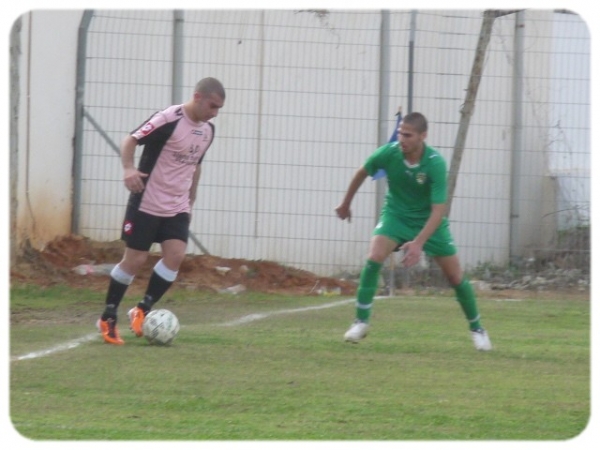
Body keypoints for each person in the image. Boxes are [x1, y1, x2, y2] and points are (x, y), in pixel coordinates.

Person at [335, 112, 492, 351]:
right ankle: (361, 321)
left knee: (455, 277)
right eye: (400, 133)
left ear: (422, 136)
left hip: (429, 221)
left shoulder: (435, 163)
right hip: (396, 216)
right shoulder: (389, 153)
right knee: (374, 257)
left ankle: (477, 329)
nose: (402, 139)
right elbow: (362, 172)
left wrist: (418, 243)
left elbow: (439, 210)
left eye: (407, 135)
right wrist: (346, 203)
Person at [97, 77, 226, 345]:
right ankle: (108, 317)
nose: (215, 113)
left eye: (219, 109)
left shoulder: (208, 131)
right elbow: (131, 140)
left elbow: (195, 165)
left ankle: (142, 310)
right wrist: (129, 169)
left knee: (175, 256)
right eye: (212, 106)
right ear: (198, 97)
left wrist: (191, 199)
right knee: (135, 260)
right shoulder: (168, 119)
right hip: (147, 202)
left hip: (177, 206)